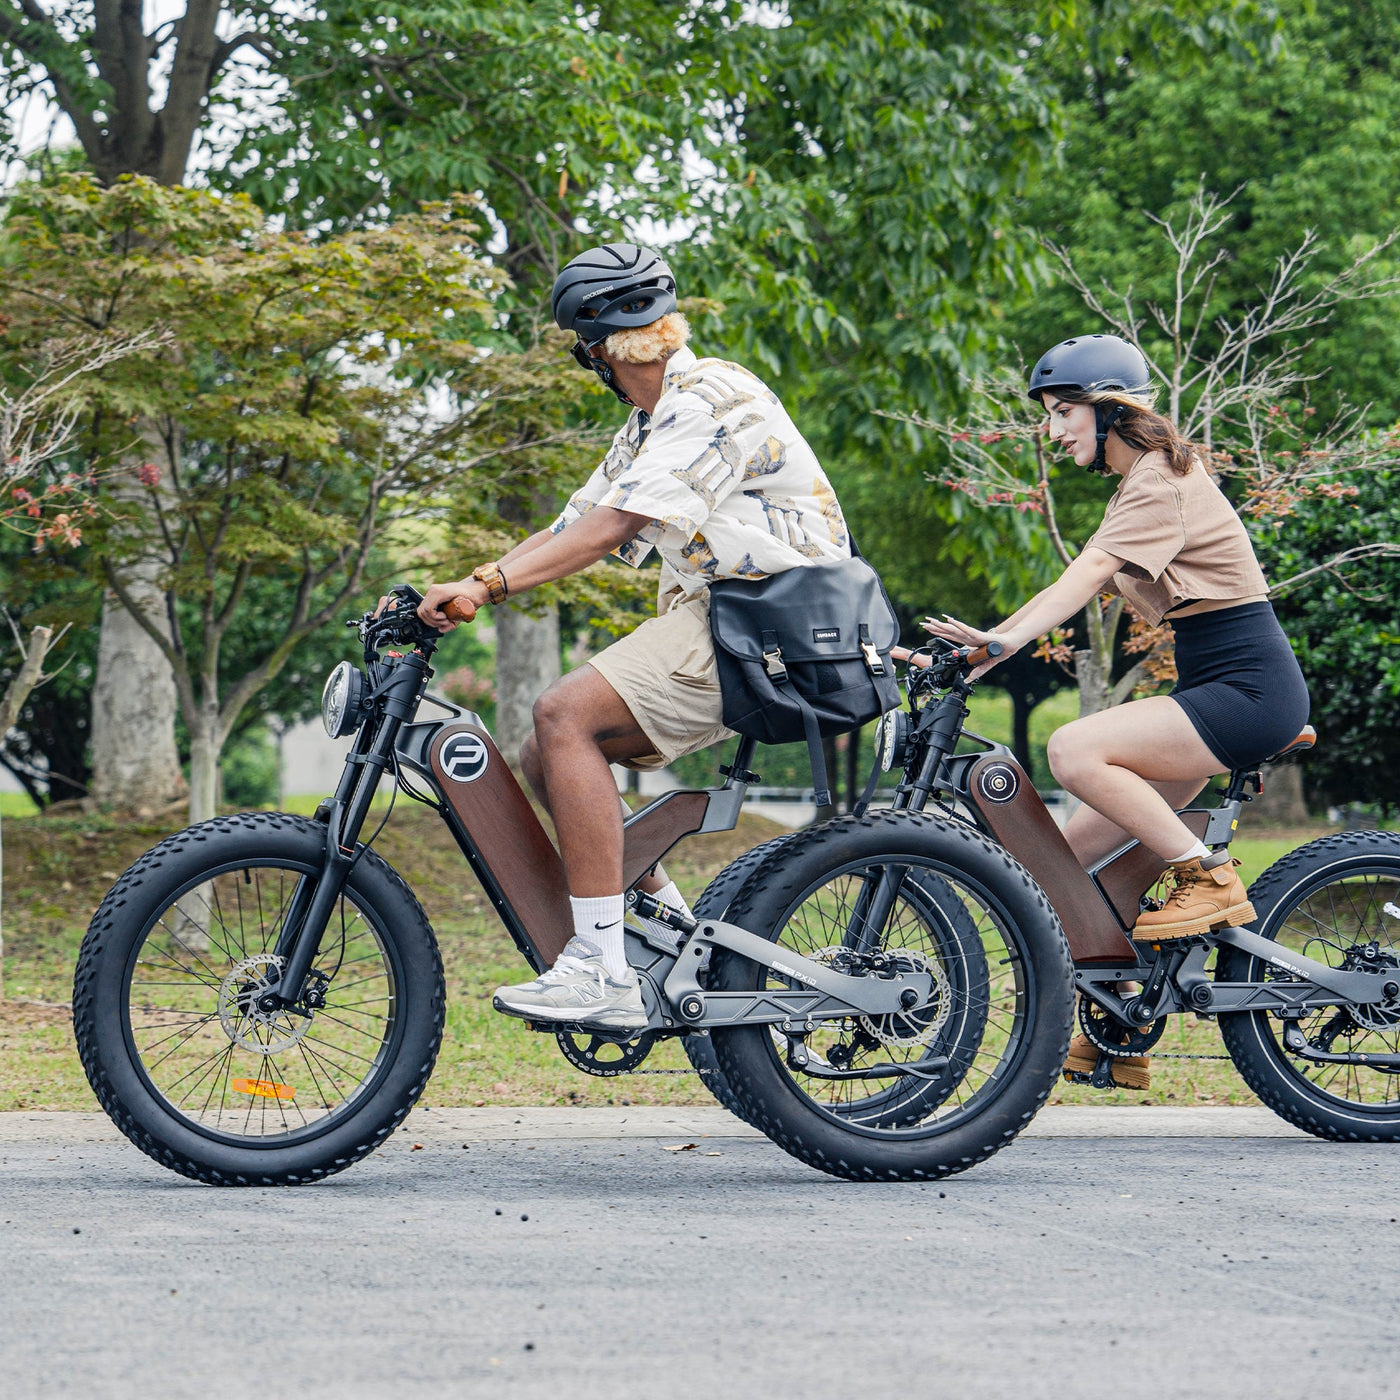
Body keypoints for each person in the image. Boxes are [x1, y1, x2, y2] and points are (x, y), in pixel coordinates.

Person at [415, 242, 851, 1029]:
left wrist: (487, 587)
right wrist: (474, 584)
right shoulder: (654, 419)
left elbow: (614, 526)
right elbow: (578, 522)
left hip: (773, 620)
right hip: (737, 618)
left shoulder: (709, 394)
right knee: (543, 755)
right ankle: (673, 936)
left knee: (562, 715)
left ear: (596, 353)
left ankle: (603, 971)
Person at [918, 333, 1310, 1090]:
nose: (1053, 430)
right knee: (1061, 872)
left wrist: (1001, 639)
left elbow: (1091, 570)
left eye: (1064, 412)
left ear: (1112, 411)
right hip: (1216, 689)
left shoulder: (1160, 479)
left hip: (1247, 691)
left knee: (1073, 749)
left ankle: (1208, 876)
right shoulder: (1141, 487)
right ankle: (1120, 1016)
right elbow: (1082, 582)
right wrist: (987, 651)